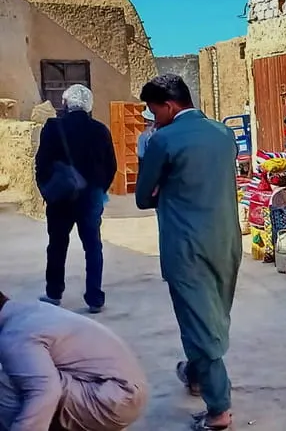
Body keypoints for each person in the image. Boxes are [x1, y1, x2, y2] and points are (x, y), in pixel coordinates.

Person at [134, 74, 240, 431]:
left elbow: (142, 197)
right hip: (226, 240)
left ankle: (219, 411)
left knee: (199, 324)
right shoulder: (225, 134)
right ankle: (196, 374)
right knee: (214, 314)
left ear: (169, 105)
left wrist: (166, 187)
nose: (153, 118)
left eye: (153, 110)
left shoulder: (162, 140)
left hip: (185, 245)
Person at [0, 290, 148, 430]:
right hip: (125, 391)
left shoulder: (14, 336)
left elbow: (44, 392)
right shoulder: (30, 311)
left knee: (9, 383)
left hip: (114, 400)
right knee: (29, 372)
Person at [34, 84, 116, 314]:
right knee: (93, 246)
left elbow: (41, 163)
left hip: (59, 199)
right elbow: (111, 166)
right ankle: (94, 298)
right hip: (90, 197)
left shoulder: (52, 128)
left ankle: (54, 293)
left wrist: (47, 190)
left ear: (66, 103)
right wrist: (99, 190)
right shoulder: (100, 130)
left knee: (57, 245)